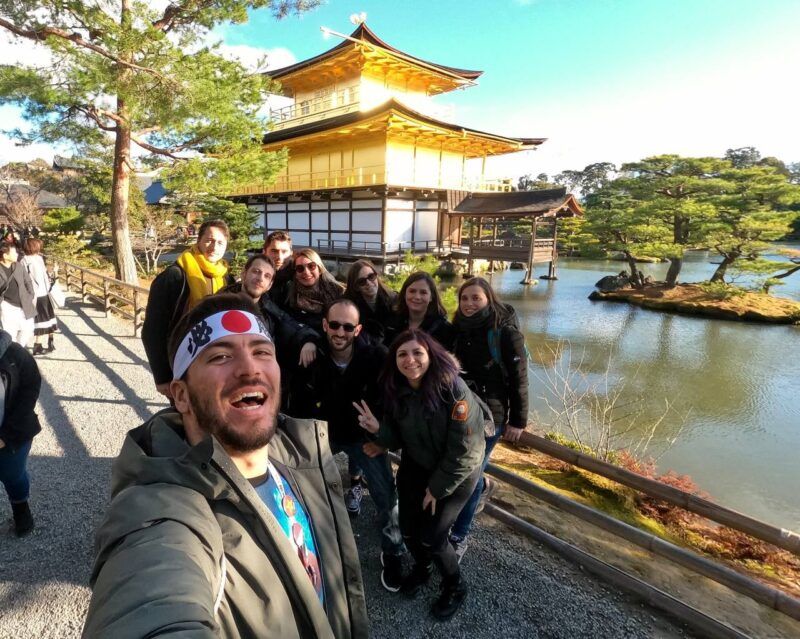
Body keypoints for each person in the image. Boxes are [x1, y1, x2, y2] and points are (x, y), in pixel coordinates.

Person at [84, 294, 368, 639]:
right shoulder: (163, 513)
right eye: (220, 356)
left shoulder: (300, 458)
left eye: (262, 352)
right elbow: (150, 596)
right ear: (182, 395)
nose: (250, 368)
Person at [355, 329, 485, 620]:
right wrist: (379, 431)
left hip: (457, 472)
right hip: (417, 463)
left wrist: (436, 488)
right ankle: (423, 566)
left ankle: (455, 585)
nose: (409, 359)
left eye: (417, 353)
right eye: (402, 354)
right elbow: (399, 438)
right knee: (410, 528)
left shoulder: (453, 390)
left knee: (435, 535)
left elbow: (466, 451)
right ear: (394, 360)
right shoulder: (395, 389)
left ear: (430, 355)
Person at [287, 299, 406, 592]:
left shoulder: (377, 357)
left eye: (348, 327)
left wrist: (382, 438)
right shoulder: (311, 355)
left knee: (385, 494)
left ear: (358, 329)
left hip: (363, 437)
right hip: (322, 434)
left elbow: (395, 402)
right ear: (325, 325)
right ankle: (309, 548)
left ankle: (392, 551)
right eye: (335, 325)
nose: (340, 332)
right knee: (303, 489)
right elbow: (296, 400)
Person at [448, 277, 529, 560]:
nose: (469, 304)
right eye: (465, 298)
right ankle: (484, 485)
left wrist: (518, 421)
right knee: (465, 471)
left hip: (490, 416)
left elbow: (519, 379)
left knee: (468, 476)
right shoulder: (458, 328)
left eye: (476, 298)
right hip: (459, 411)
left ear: (489, 299)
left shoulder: (504, 333)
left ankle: (459, 534)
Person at [142, 219, 235, 398]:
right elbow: (153, 330)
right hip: (182, 361)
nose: (214, 246)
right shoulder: (175, 277)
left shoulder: (226, 278)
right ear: (198, 241)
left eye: (220, 242)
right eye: (209, 240)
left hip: (216, 363)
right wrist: (162, 377)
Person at [223, 253, 319, 375]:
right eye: (256, 271)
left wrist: (309, 340)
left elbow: (291, 325)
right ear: (244, 273)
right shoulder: (217, 305)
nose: (260, 278)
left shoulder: (269, 309)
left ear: (269, 285)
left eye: (267, 276)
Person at [0, 329, 41, 536]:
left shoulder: (16, 355)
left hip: (11, 434)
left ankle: (21, 510)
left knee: (13, 475)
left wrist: (6, 435)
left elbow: (30, 391)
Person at [279, 248, 344, 336]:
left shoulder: (339, 293)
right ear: (295, 274)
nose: (306, 272)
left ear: (319, 269)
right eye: (300, 268)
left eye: (311, 266)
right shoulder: (289, 296)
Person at [387, 272, 454, 350]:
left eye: (423, 292)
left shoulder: (444, 329)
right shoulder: (391, 323)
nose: (417, 297)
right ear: (405, 294)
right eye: (412, 291)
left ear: (431, 297)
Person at [344, 259, 397, 346]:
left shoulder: (394, 300)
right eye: (362, 281)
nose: (368, 283)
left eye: (371, 276)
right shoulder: (348, 307)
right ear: (356, 287)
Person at [20, 238, 57, 355]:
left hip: (43, 292)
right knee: (42, 319)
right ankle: (38, 344)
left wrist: (52, 273)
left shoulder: (37, 258)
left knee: (47, 317)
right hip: (37, 294)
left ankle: (48, 342)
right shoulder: (26, 260)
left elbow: (44, 275)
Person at [0, 243, 36, 347]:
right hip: (7, 305)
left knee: (28, 329)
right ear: (5, 256)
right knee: (10, 333)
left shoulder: (18, 266)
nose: (17, 254)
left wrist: (30, 294)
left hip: (24, 302)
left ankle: (19, 349)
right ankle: (13, 356)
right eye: (14, 252)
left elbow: (27, 281)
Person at [263, 230, 294, 305]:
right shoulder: (255, 276)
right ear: (264, 252)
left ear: (291, 253)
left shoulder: (301, 277)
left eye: (284, 252)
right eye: (274, 251)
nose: (279, 257)